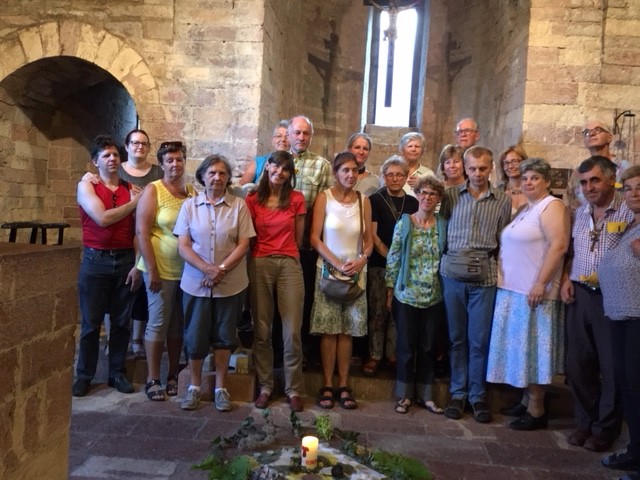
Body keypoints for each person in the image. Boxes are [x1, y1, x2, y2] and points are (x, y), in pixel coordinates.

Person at [486, 158, 570, 430]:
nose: (529, 182)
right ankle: (525, 400)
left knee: (532, 350)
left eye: (535, 177)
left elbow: (558, 246)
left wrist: (540, 283)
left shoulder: (552, 206)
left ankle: (537, 408)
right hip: (513, 289)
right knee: (521, 351)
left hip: (534, 292)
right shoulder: (527, 208)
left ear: (546, 181)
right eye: (525, 178)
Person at [561, 155, 633, 451]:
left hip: (612, 296)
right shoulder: (580, 213)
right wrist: (566, 278)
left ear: (611, 179)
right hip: (579, 294)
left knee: (611, 367)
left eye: (595, 180)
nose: (589, 187)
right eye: (584, 182)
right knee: (578, 365)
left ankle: (605, 429)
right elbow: (573, 253)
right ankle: (584, 422)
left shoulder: (629, 212)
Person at [174, 154, 255, 411]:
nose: (217, 178)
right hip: (196, 283)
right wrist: (206, 269)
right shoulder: (189, 207)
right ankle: (194, 387)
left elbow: (244, 243)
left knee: (224, 336)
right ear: (202, 177)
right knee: (195, 336)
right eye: (212, 173)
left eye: (222, 173)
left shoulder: (239, 206)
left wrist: (220, 269)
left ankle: (221, 388)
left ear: (228, 178)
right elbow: (183, 245)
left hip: (230, 283)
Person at [439, 146, 511, 423]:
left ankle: (477, 395)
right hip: (453, 273)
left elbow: (502, 236)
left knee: (478, 340)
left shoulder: (502, 201)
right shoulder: (449, 196)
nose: (477, 173)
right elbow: (441, 231)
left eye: (483, 168)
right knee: (457, 338)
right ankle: (458, 393)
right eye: (472, 168)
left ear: (491, 167)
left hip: (485, 275)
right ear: (464, 168)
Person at [72, 135, 141, 397]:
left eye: (115, 155)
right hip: (95, 260)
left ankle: (116, 373)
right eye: (106, 156)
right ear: (95, 161)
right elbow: (101, 218)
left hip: (125, 260)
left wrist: (138, 265)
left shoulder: (129, 188)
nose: (112, 159)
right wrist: (134, 203)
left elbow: (137, 231)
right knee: (91, 324)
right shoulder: (86, 186)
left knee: (122, 322)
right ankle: (85, 376)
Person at [310, 151, 373, 410]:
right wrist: (335, 263)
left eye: (354, 170)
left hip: (356, 273)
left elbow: (368, 239)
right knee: (329, 330)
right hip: (328, 271)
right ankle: (327, 383)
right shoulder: (324, 198)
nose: (350, 175)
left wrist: (362, 259)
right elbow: (314, 237)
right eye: (345, 170)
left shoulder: (363, 201)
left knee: (346, 331)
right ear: (335, 173)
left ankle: (344, 384)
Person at [245, 151, 306, 412]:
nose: (279, 173)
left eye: (285, 169)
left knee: (291, 331)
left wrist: (285, 252)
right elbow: (248, 237)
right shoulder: (251, 199)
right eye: (275, 167)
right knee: (262, 329)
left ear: (290, 174)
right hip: (260, 261)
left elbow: (299, 236)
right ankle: (266, 386)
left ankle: (293, 389)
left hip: (289, 262)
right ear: (266, 167)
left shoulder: (296, 199)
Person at [136, 141, 195, 401]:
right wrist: (152, 270)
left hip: (187, 271)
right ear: (162, 163)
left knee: (177, 326)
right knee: (158, 323)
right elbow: (142, 232)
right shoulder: (153, 190)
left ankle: (173, 373)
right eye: (169, 160)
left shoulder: (191, 191)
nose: (175, 164)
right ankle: (153, 378)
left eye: (179, 159)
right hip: (159, 267)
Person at [386, 175, 447, 415]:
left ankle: (426, 395)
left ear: (438, 198)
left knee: (429, 347)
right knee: (406, 347)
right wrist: (390, 290)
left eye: (432, 194)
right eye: (423, 192)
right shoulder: (405, 223)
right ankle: (404, 396)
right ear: (417, 195)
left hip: (433, 295)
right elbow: (394, 257)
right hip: (406, 294)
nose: (427, 197)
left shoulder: (442, 224)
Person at [598, 165, 640, 475]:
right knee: (629, 386)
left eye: (639, 187)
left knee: (637, 387)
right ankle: (635, 451)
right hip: (622, 314)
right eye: (628, 188)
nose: (633, 193)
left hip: (637, 317)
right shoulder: (632, 224)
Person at [361, 156, 418, 377]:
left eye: (399, 174)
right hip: (379, 263)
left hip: (405, 266)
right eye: (390, 174)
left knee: (397, 311)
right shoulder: (375, 200)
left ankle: (392, 354)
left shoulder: (413, 203)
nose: (395, 178)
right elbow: (372, 236)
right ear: (384, 176)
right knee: (378, 310)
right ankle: (375, 355)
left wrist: (402, 261)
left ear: (406, 177)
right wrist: (391, 259)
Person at [288, 115, 332, 365]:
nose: (301, 137)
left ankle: (305, 349)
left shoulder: (322, 165)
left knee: (305, 298)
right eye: (297, 133)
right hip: (281, 244)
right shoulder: (278, 161)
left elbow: (325, 206)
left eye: (306, 133)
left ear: (311, 136)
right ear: (289, 134)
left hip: (307, 244)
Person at [121, 129, 165, 358]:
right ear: (127, 146)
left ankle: (137, 339)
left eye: (144, 144)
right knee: (120, 289)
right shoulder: (117, 170)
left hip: (149, 235)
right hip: (121, 235)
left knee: (141, 290)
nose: (140, 147)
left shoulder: (157, 173)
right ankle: (116, 339)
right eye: (135, 143)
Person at [239, 120, 290, 186]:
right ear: (273, 140)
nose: (283, 140)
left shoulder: (296, 164)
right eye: (279, 136)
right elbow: (241, 189)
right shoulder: (258, 162)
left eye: (287, 137)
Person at [498, 145, 529, 215]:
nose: (510, 166)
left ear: (524, 162)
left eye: (515, 161)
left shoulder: (533, 190)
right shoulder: (498, 192)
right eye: (506, 163)